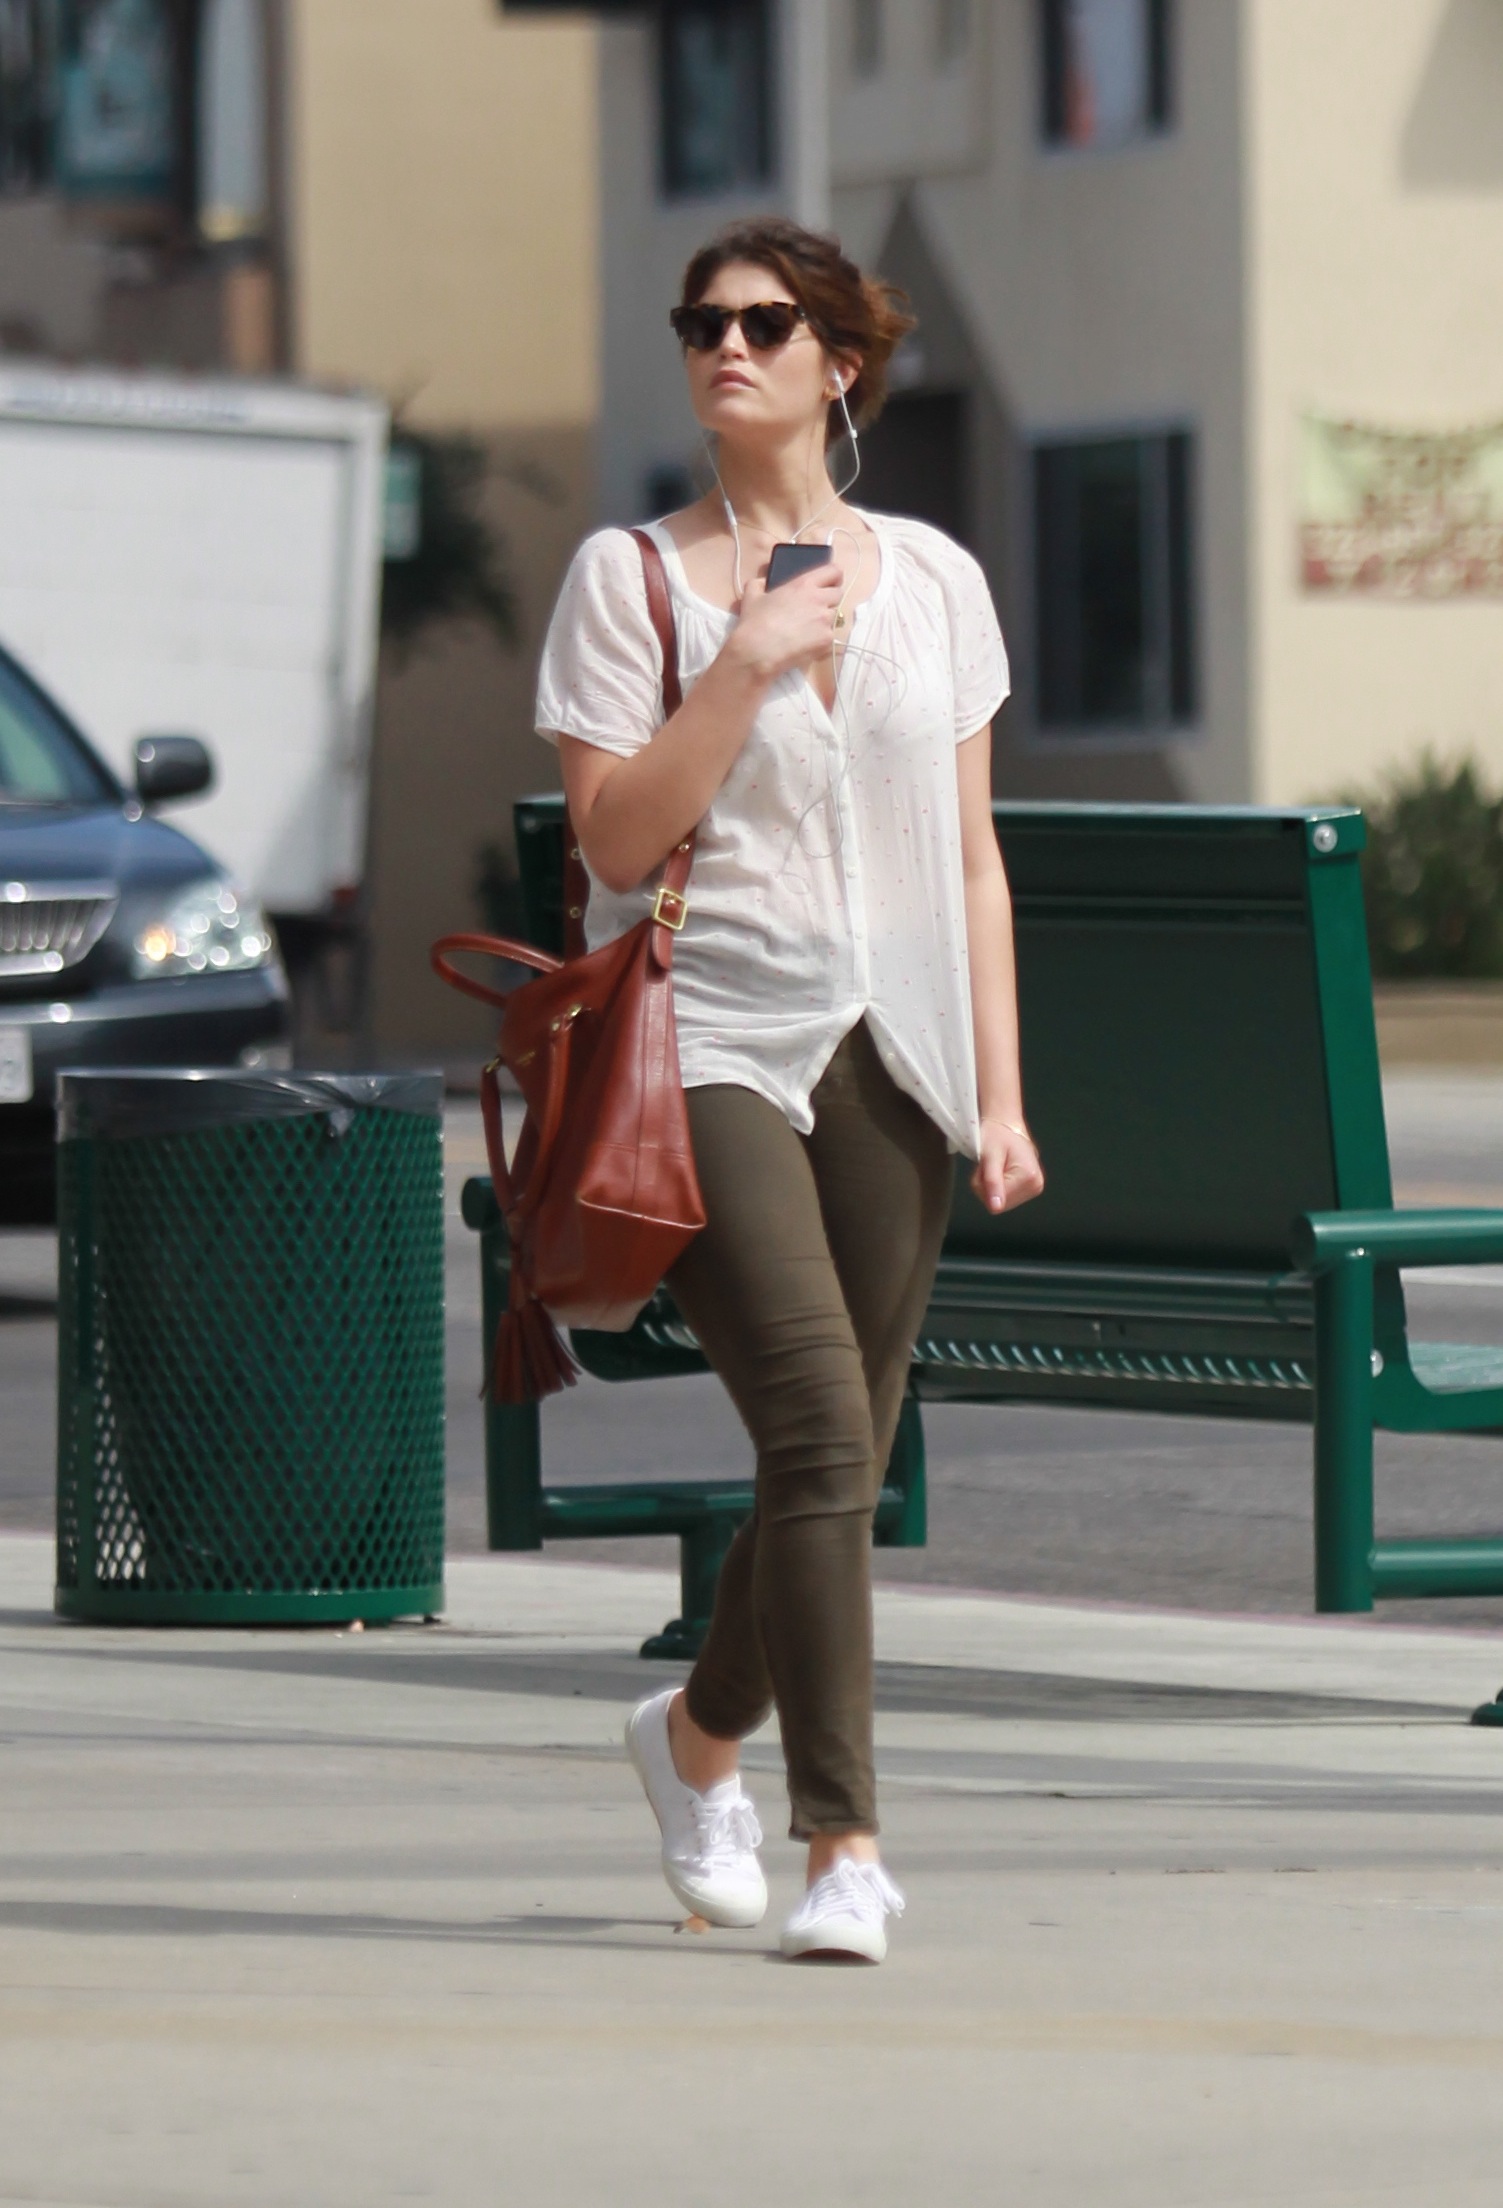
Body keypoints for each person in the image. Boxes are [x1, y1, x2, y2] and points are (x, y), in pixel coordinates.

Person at [535, 217, 1044, 1964]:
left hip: (899, 1049)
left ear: (842, 364)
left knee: (837, 1462)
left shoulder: (942, 581)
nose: (724, 347)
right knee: (823, 1433)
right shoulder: (635, 580)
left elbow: (971, 858)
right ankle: (847, 1845)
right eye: (701, 323)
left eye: (764, 324)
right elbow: (609, 838)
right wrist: (742, 663)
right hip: (711, 1047)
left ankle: (691, 1745)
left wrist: (1003, 1085)